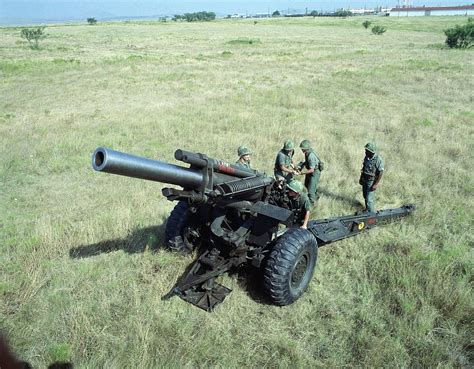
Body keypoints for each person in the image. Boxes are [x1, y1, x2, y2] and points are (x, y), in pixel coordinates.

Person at [359, 142, 384, 213]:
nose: (365, 151)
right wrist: (361, 178)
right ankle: (367, 210)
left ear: (371, 152)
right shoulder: (366, 158)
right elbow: (364, 168)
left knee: (369, 199)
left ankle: (372, 215)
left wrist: (375, 184)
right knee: (365, 196)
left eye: (367, 151)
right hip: (365, 179)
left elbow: (380, 172)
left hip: (371, 181)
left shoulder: (378, 159)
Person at [297, 139, 322, 204]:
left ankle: (311, 204)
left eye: (303, 149)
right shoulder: (307, 153)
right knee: (306, 187)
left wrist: (302, 172)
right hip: (310, 171)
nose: (302, 150)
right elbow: (306, 162)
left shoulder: (311, 156)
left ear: (307, 149)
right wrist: (300, 166)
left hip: (314, 173)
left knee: (311, 191)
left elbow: (312, 170)